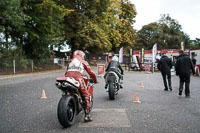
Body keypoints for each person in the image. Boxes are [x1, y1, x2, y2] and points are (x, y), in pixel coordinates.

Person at [65, 50, 97, 122]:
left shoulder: (70, 61)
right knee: (85, 95)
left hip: (68, 78)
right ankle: (87, 115)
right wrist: (95, 80)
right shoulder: (83, 61)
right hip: (78, 78)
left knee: (66, 90)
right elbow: (90, 72)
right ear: (82, 55)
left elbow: (68, 71)